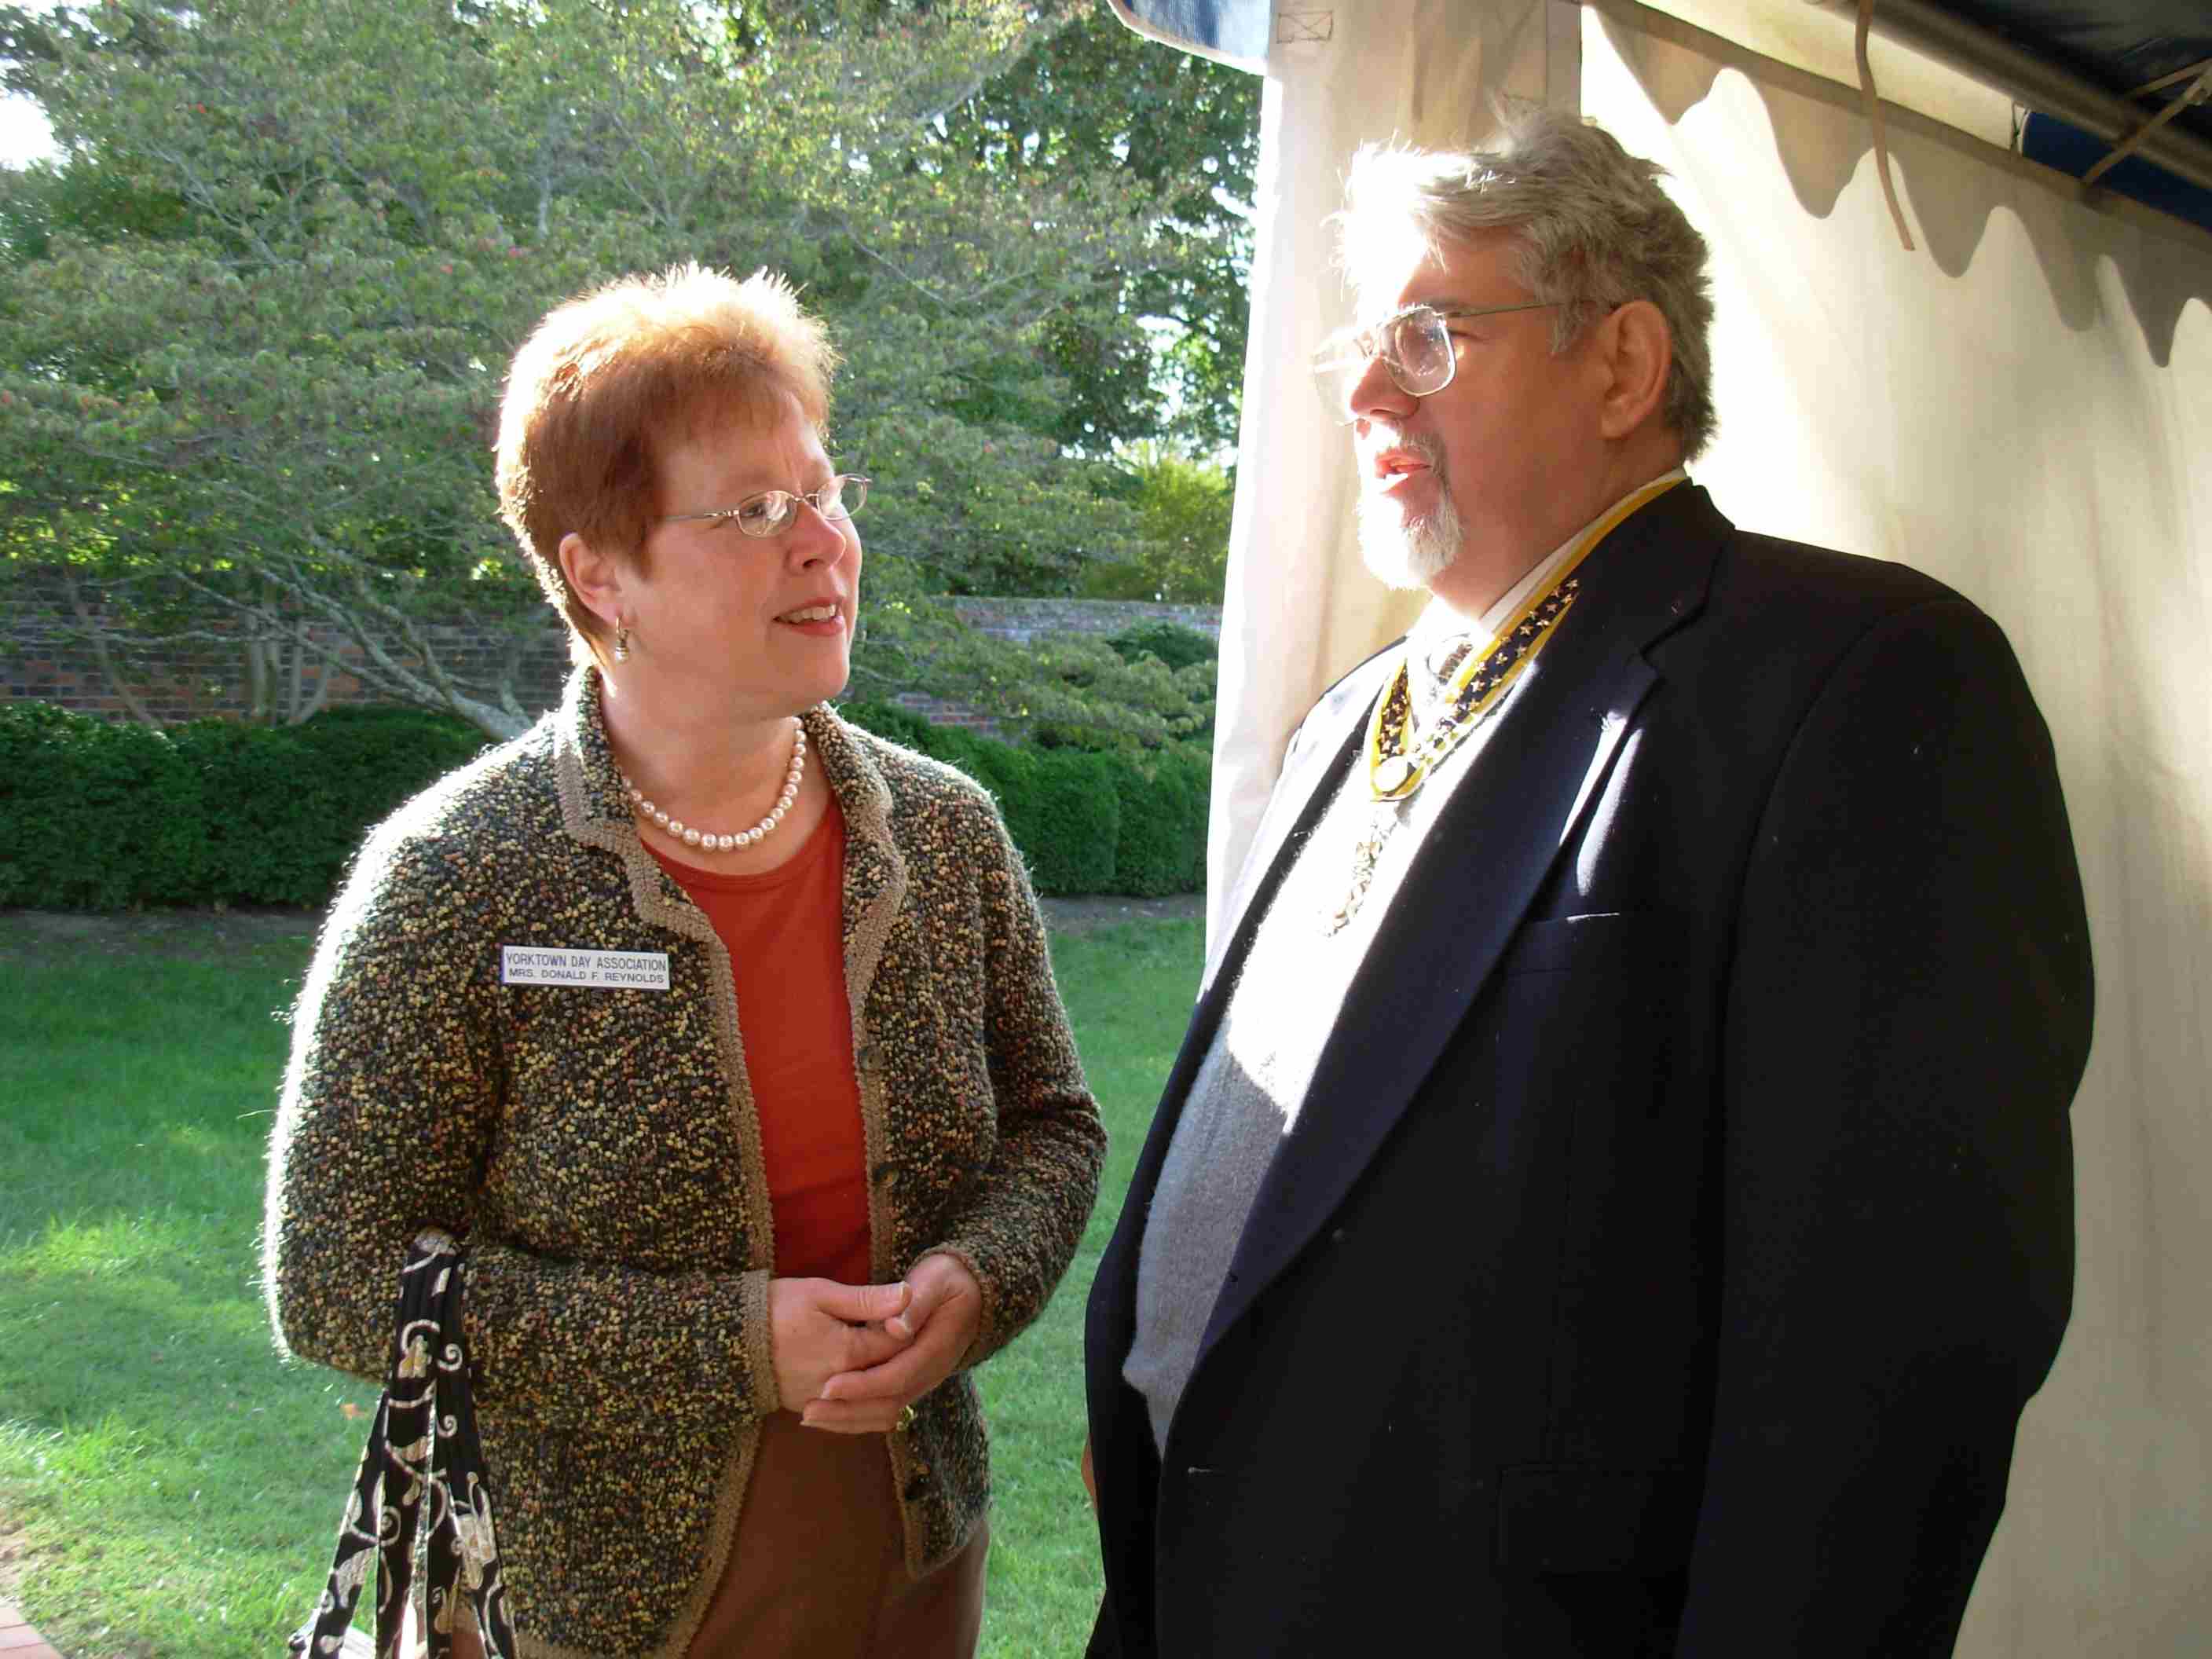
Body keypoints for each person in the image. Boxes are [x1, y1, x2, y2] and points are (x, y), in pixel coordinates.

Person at [1082, 108, 2092, 1657]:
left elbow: (1885, 1367)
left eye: (1426, 335)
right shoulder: (1357, 712)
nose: (1363, 385)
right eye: (1364, 337)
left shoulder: (1854, 682)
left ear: (1621, 367)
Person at [265, 262, 1105, 1658]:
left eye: (825, 493)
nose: (823, 542)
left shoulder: (944, 837)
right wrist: (725, 1348)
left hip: (905, 1570)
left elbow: (1053, 1129)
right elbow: (334, 1276)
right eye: (755, 511)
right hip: (582, 1608)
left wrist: (976, 1282)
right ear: (601, 572)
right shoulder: (456, 873)